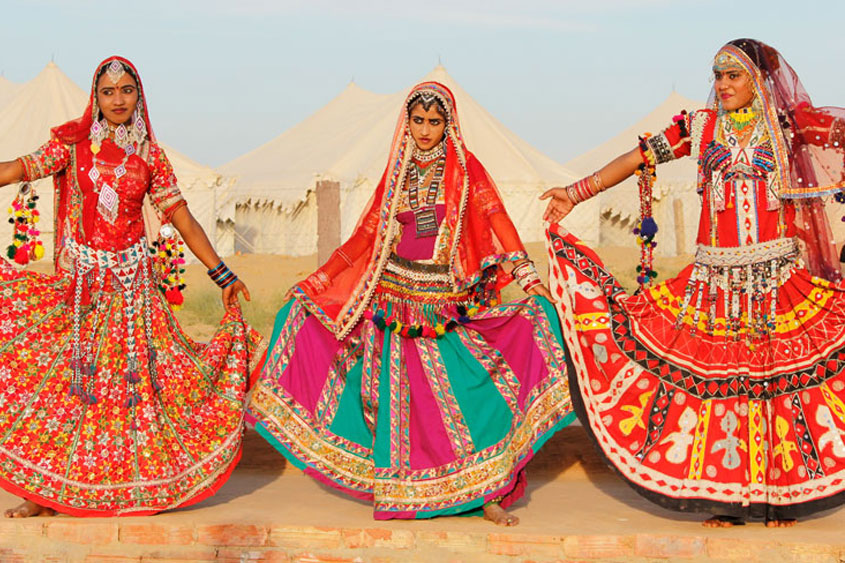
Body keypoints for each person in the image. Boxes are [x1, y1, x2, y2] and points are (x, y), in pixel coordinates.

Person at [541, 38, 845, 527]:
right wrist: (576, 192)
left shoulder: (789, 126)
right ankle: (726, 502)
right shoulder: (698, 128)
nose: (722, 85)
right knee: (721, 393)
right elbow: (638, 158)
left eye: (734, 75)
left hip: (777, 282)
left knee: (776, 392)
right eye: (718, 75)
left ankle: (778, 500)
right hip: (713, 284)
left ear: (759, 81)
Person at [248, 81, 574, 525]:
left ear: (449, 124)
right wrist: (317, 280)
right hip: (391, 300)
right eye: (417, 120)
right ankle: (403, 489)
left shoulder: (465, 167)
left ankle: (486, 493)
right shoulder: (398, 171)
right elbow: (366, 234)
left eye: (434, 121)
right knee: (399, 403)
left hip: (442, 301)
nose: (424, 130)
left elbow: (496, 215)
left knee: (462, 395)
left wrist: (527, 277)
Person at [0, 56, 260, 517]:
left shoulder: (150, 156)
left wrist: (221, 272)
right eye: (108, 91)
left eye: (126, 90)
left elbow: (181, 217)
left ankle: (130, 482)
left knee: (131, 390)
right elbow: (20, 169)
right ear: (94, 97)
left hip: (134, 293)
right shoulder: (73, 144)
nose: (117, 99)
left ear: (139, 95)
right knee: (66, 384)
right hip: (80, 289)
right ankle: (43, 493)